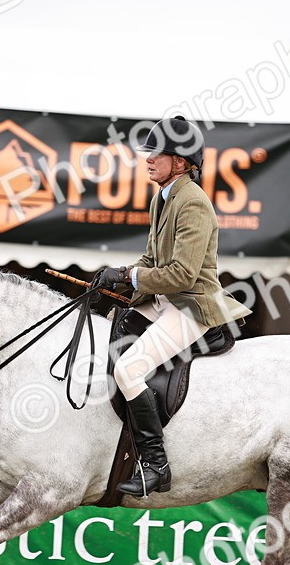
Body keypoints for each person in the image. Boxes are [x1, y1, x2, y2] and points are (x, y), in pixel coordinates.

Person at [90, 115, 252, 497]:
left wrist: (128, 277)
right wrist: (119, 278)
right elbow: (151, 261)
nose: (148, 160)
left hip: (191, 305)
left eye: (156, 154)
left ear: (180, 163)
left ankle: (155, 465)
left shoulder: (193, 203)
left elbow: (181, 274)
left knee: (129, 369)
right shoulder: (162, 199)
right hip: (162, 301)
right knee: (107, 336)